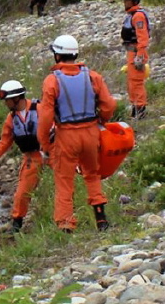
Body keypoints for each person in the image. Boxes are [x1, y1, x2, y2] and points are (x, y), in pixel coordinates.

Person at [37, 35, 117, 233]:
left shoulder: (51, 81)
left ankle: (66, 224)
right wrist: (101, 121)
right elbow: (109, 105)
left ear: (57, 56)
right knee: (92, 174)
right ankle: (101, 219)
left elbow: (46, 117)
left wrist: (44, 143)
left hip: (66, 135)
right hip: (91, 133)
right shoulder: (92, 76)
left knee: (64, 179)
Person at [0, 81, 42, 232]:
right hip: (31, 156)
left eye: (6, 100)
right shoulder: (11, 119)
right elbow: (5, 141)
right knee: (22, 192)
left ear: (16, 99)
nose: (5, 104)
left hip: (52, 152)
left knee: (64, 183)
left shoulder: (40, 109)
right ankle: (17, 223)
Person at [120, 0, 151, 119]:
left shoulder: (138, 16)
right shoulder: (131, 15)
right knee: (131, 82)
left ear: (134, 1)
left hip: (137, 53)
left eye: (127, 0)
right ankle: (135, 108)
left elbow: (143, 38)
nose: (124, 2)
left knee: (136, 82)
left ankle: (140, 110)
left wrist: (140, 55)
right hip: (132, 52)